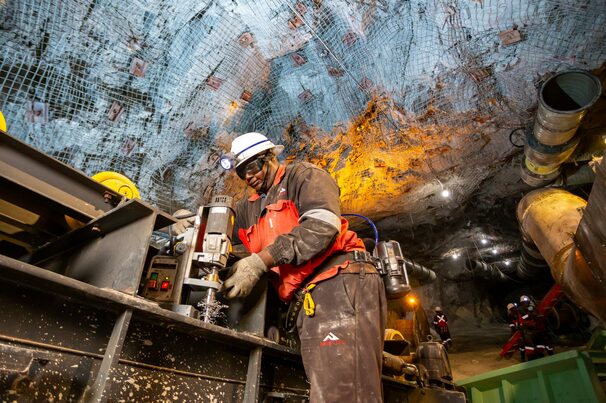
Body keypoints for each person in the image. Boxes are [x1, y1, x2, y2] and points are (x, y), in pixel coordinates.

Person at [220, 132, 387, 402]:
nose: (248, 177)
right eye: (242, 173)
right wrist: (191, 223)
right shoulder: (248, 208)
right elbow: (220, 225)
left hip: (339, 284)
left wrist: (261, 260)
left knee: (342, 395)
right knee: (323, 391)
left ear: (270, 157)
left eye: (252, 167)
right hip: (305, 302)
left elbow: (321, 228)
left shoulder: (304, 177)